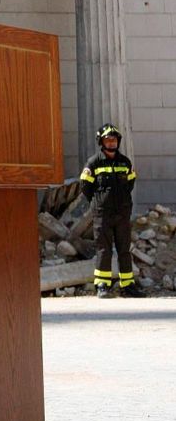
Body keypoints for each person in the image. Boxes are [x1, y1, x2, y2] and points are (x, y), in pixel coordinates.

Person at [80, 123, 144, 299]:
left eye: (114, 139)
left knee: (124, 249)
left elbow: (130, 183)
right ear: (101, 142)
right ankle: (102, 285)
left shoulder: (125, 162)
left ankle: (128, 285)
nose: (111, 142)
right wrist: (99, 202)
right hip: (103, 214)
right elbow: (85, 186)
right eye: (108, 139)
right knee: (103, 249)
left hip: (122, 213)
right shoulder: (93, 162)